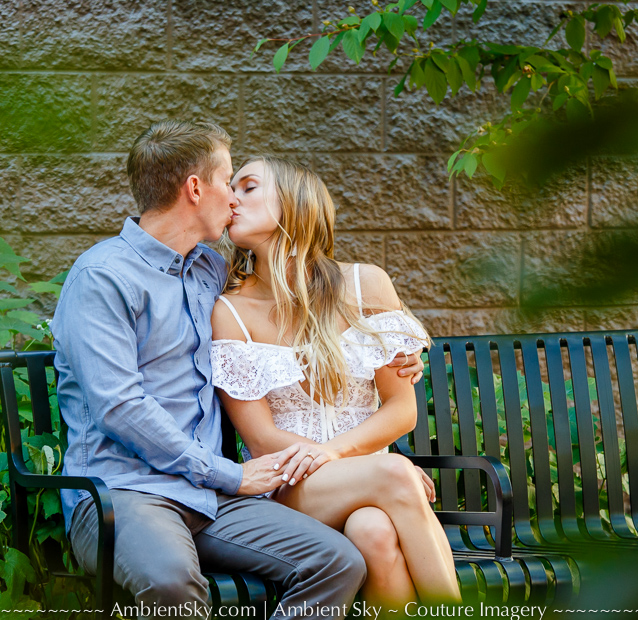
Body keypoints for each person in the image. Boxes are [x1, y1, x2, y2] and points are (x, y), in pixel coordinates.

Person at [51, 119, 426, 618]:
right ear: (194, 188)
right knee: (170, 583)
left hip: (208, 496)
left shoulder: (209, 271)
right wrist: (225, 473)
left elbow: (299, 296)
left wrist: (395, 350)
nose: (233, 197)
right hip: (127, 494)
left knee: (336, 562)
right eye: (230, 181)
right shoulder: (103, 278)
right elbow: (120, 407)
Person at [209, 155, 462, 611]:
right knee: (394, 472)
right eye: (231, 187)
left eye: (248, 186)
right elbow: (263, 440)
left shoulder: (366, 285)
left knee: (374, 532)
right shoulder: (230, 312)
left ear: (293, 202)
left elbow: (401, 409)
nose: (231, 197)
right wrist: (370, 470)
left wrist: (338, 454)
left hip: (373, 482)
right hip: (287, 490)